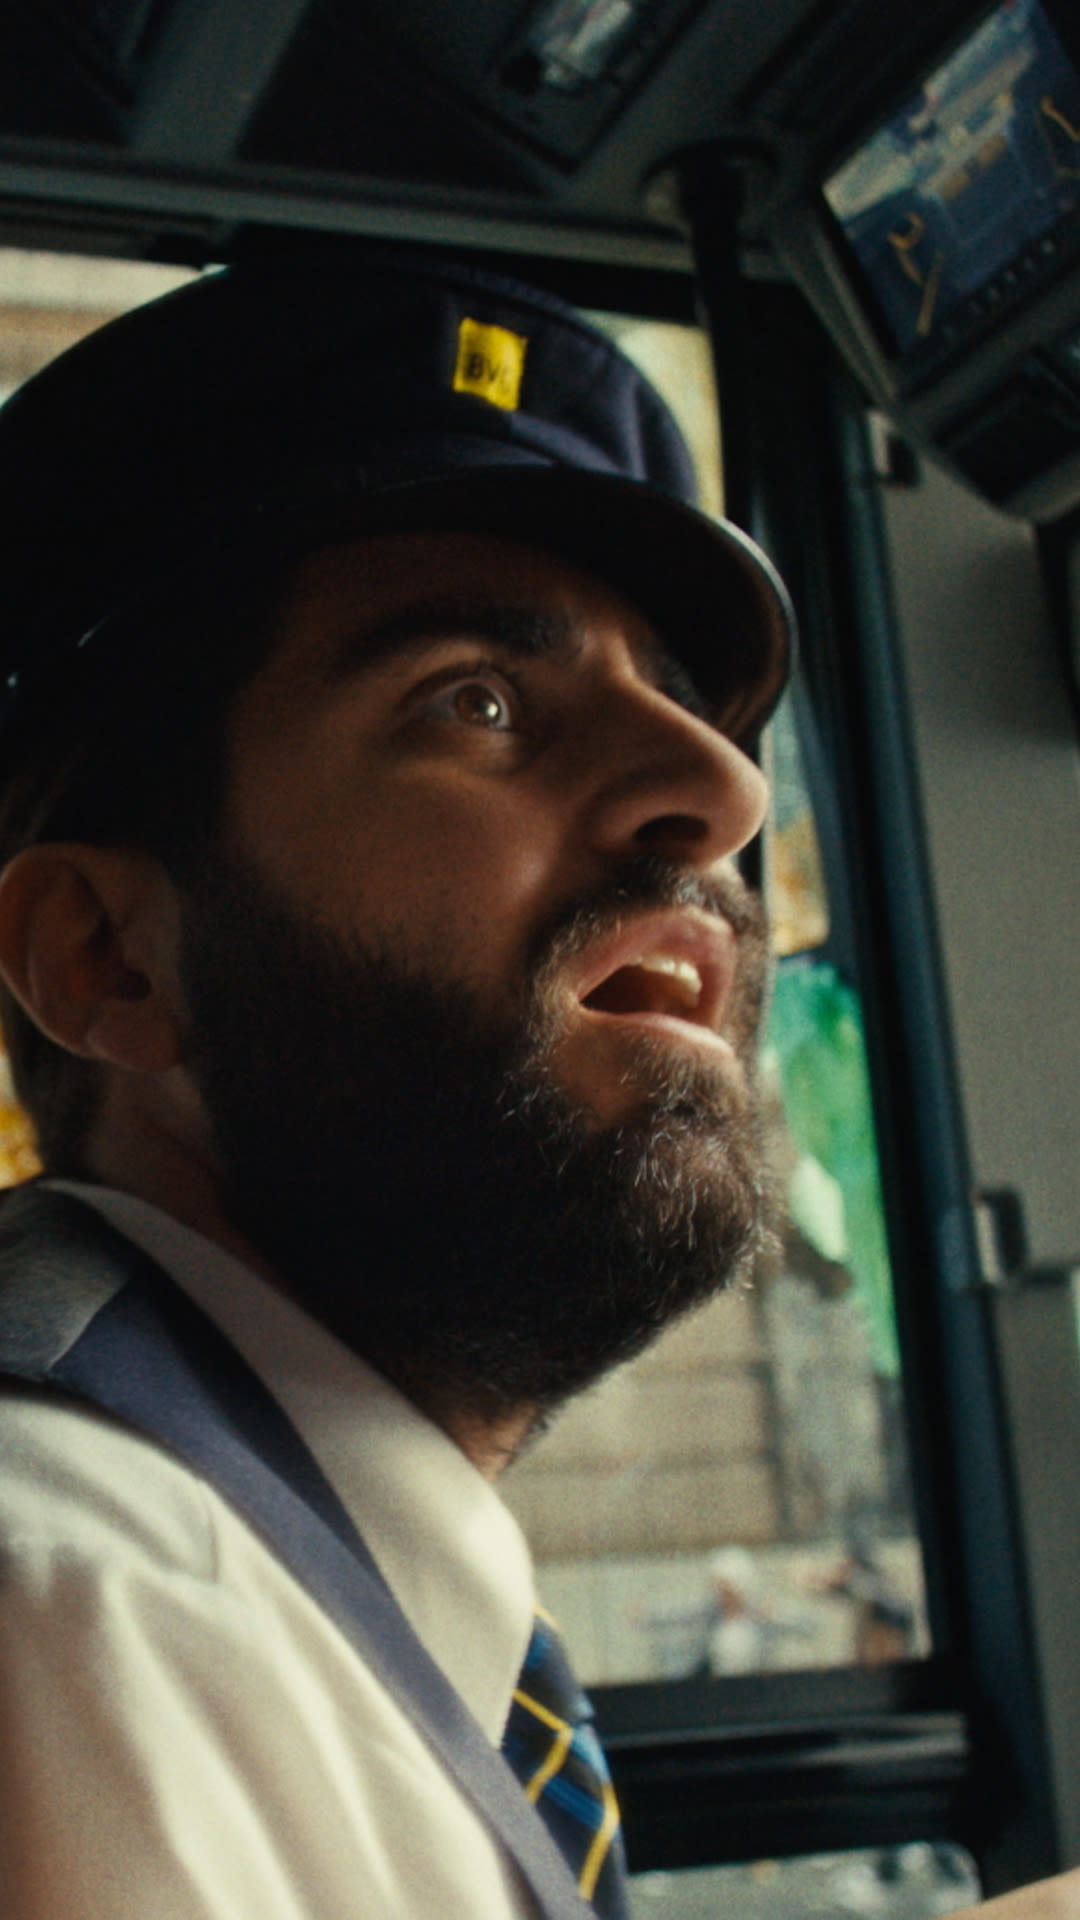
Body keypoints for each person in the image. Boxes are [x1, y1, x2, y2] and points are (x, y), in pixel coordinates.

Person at [0, 246, 1071, 1920]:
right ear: (105, 958)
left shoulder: (247, 1538)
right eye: (481, 700)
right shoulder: (73, 1603)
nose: (720, 786)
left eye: (688, 705)